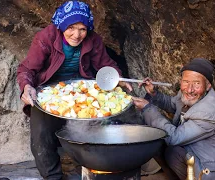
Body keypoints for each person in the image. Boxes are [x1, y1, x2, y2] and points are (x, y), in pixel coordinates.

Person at [16, 1, 131, 179]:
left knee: (100, 124)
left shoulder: (93, 40)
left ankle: (94, 170)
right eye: (71, 27)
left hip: (82, 89)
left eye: (82, 29)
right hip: (48, 93)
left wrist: (118, 77)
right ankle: (52, 176)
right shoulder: (46, 38)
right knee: (41, 133)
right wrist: (27, 87)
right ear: (62, 25)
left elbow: (106, 65)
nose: (77, 35)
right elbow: (27, 69)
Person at [132, 58, 215, 180]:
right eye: (186, 82)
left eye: (197, 83)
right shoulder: (188, 93)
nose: (189, 89)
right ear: (181, 81)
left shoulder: (208, 112)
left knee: (165, 142)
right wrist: (154, 94)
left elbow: (174, 138)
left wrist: (147, 108)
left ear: (208, 86)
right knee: (158, 144)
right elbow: (173, 104)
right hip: (190, 154)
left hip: (208, 170)